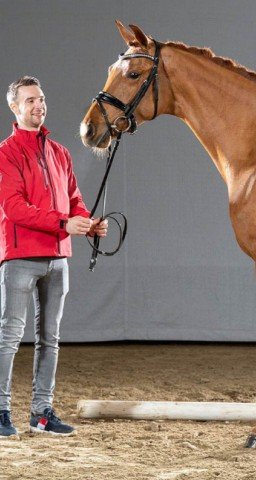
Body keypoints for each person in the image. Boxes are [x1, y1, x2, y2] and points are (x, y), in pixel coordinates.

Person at [0, 76, 107, 437]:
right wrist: (64, 222)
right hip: (20, 257)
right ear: (15, 108)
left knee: (50, 338)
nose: (38, 105)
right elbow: (15, 208)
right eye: (30, 100)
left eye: (41, 99)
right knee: (10, 336)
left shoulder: (59, 152)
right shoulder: (6, 153)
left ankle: (41, 413)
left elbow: (73, 199)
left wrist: (89, 223)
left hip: (57, 257)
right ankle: (1, 411)